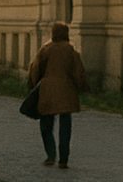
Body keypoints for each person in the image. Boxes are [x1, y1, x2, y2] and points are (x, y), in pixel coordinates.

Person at [27, 21, 88, 169]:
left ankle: (50, 155)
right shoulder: (70, 50)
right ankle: (63, 159)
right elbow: (78, 72)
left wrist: (33, 86)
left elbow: (35, 70)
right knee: (65, 126)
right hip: (67, 91)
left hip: (47, 91)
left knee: (46, 125)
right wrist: (82, 87)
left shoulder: (46, 49)